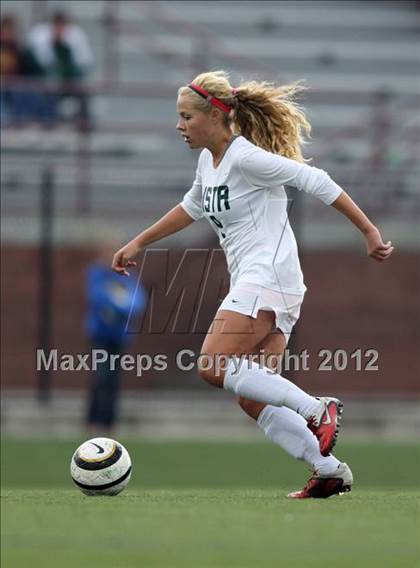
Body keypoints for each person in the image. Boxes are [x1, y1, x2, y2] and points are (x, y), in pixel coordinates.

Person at [111, 70, 394, 499]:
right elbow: (192, 207)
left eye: (186, 116)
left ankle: (317, 409)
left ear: (214, 115)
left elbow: (315, 180)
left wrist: (369, 231)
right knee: (253, 395)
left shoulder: (246, 157)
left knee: (212, 365)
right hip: (269, 282)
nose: (179, 125)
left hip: (268, 277)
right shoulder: (209, 161)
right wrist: (139, 242)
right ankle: (329, 469)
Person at [86, 245, 147, 433]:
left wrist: (120, 304)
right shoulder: (96, 274)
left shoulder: (126, 275)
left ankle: (109, 423)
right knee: (101, 377)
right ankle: (94, 420)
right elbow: (98, 298)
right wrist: (119, 302)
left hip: (120, 336)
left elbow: (137, 301)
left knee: (114, 379)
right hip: (101, 335)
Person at [25, 10, 93, 129]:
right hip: (46, 84)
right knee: (45, 92)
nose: (59, 30)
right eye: (57, 26)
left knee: (82, 94)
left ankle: (84, 125)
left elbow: (78, 69)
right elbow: (40, 67)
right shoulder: (41, 41)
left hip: (66, 83)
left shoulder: (69, 46)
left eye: (62, 26)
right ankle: (49, 124)